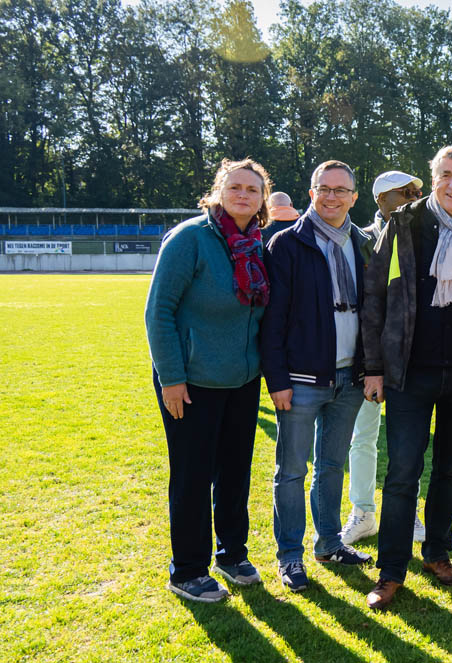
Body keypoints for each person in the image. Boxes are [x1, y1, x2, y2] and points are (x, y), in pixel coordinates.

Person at [361, 145, 452, 610]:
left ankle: (438, 554)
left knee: (450, 471)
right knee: (402, 472)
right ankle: (390, 571)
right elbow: (375, 297)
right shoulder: (403, 224)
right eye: (446, 174)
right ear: (433, 178)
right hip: (409, 372)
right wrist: (374, 367)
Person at [145, 158, 271, 602]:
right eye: (235, 187)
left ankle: (231, 554)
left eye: (252, 189)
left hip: (242, 381)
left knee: (235, 473)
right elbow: (158, 312)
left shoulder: (258, 244)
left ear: (262, 198)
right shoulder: (190, 238)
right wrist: (172, 378)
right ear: (218, 191)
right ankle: (188, 570)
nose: (243, 195)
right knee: (193, 477)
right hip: (191, 383)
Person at [260, 160, 374, 592]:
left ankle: (328, 544)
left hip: (349, 377)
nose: (331, 197)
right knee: (291, 471)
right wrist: (277, 380)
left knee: (331, 466)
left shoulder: (363, 243)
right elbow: (273, 319)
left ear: (354, 197)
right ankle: (289, 555)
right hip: (301, 378)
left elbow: (374, 312)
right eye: (323, 188)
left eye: (341, 190)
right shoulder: (287, 243)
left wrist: (371, 369)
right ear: (311, 193)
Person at [340, 169, 425, 547]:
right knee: (363, 437)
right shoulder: (360, 241)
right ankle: (362, 512)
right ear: (381, 200)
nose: (414, 198)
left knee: (411, 441)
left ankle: (409, 512)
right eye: (405, 192)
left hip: (412, 356)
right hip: (368, 356)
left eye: (416, 192)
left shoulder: (425, 236)